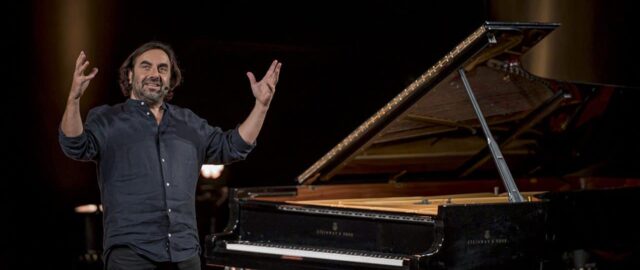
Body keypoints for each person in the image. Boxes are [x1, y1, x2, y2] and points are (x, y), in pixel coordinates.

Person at [58, 41, 281, 270]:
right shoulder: (108, 119)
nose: (155, 74)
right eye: (146, 66)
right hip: (131, 253)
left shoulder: (188, 122)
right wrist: (74, 99)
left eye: (162, 68)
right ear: (130, 74)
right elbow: (74, 145)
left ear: (170, 78)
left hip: (184, 253)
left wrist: (261, 106)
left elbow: (232, 146)